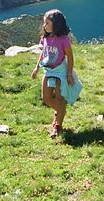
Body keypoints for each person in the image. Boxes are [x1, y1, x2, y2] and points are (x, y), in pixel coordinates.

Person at [31, 9, 82, 138]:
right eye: (44, 23)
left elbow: (70, 57)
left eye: (47, 23)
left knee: (60, 99)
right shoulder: (45, 37)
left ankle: (57, 126)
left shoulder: (63, 39)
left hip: (60, 72)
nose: (44, 26)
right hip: (48, 70)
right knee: (46, 98)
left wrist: (69, 74)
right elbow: (43, 53)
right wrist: (36, 68)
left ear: (56, 24)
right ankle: (59, 111)